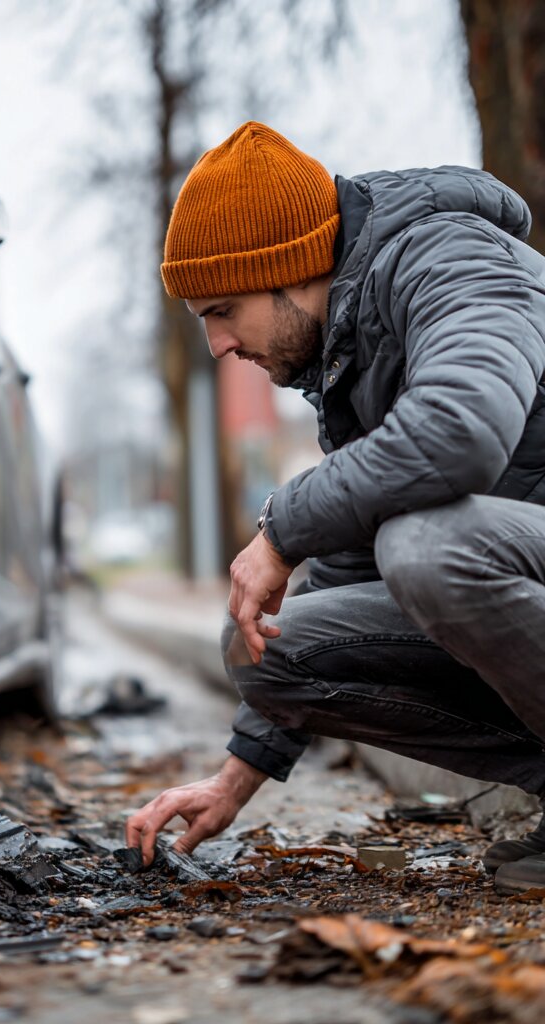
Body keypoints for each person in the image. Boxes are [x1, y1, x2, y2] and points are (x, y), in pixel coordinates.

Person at [124, 121, 545, 895]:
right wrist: (235, 780)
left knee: (429, 547)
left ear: (286, 269)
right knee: (265, 644)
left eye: (223, 311)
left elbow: (462, 432)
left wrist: (280, 528)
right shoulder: (350, 345)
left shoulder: (452, 259)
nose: (219, 345)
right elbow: (348, 564)